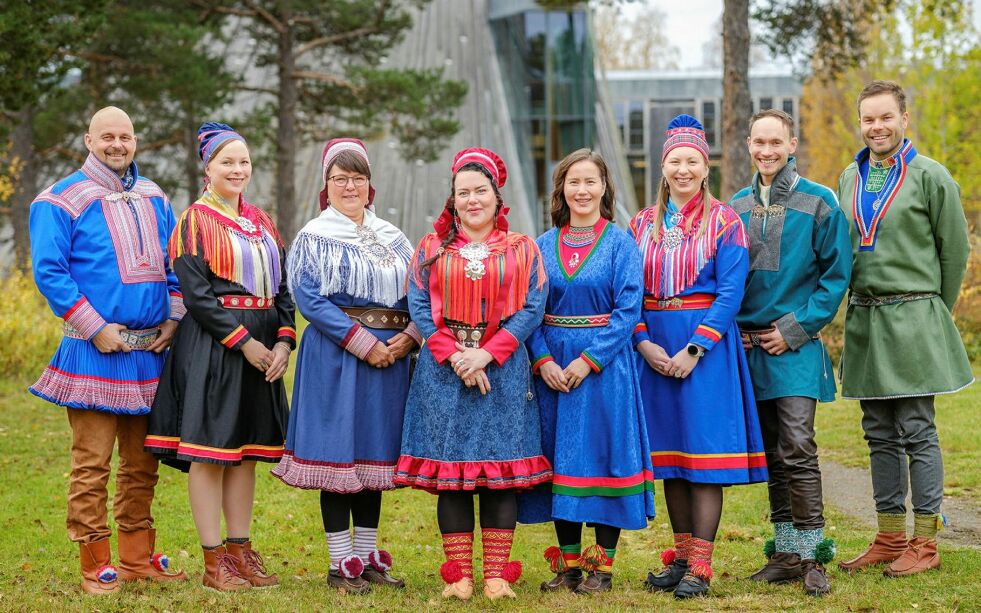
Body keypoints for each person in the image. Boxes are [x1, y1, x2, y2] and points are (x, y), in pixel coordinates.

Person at [28, 106, 189, 595]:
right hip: (94, 349)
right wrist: (94, 327)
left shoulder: (155, 196)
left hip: (148, 352)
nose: (117, 144)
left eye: (125, 136)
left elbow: (174, 262)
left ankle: (137, 555)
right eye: (107, 137)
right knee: (92, 463)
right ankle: (94, 559)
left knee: (143, 462)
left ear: (135, 140)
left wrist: (174, 317)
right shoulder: (59, 199)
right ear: (88, 140)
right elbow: (50, 272)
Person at [394, 147, 551, 601]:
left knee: (499, 470)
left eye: (480, 190)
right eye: (463, 192)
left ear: (497, 196)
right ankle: (459, 577)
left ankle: (497, 575)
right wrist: (455, 356)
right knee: (454, 473)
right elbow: (420, 307)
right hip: (444, 373)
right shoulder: (430, 248)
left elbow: (532, 308)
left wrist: (485, 355)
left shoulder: (523, 249)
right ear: (453, 199)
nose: (472, 200)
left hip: (502, 370)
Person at [144, 122, 296, 591]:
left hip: (265, 343)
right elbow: (197, 296)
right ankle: (214, 563)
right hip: (216, 346)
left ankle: (240, 550)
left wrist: (284, 341)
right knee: (212, 453)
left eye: (244, 161)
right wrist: (245, 344)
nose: (237, 169)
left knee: (245, 452)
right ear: (208, 168)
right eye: (227, 161)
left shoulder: (263, 222)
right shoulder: (194, 221)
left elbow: (283, 290)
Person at [835, 81, 972, 578]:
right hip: (865, 320)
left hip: (914, 315)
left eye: (886, 117)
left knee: (917, 430)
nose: (877, 127)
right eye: (868, 119)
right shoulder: (849, 176)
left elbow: (954, 251)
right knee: (877, 433)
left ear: (904, 119)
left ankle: (926, 542)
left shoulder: (931, 177)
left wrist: (933, 310)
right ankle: (891, 536)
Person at [272, 138, 419, 593]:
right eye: (340, 178)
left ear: (369, 183)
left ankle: (368, 556)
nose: (349, 186)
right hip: (338, 355)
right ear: (326, 184)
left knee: (372, 456)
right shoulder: (315, 236)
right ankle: (340, 564)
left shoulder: (394, 236)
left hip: (390, 357)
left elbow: (421, 291)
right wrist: (361, 342)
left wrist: (410, 337)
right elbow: (309, 299)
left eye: (357, 177)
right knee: (338, 456)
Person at [632, 115, 767, 599]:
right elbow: (630, 293)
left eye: (692, 160)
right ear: (662, 166)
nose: (683, 169)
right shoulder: (641, 224)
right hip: (654, 344)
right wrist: (644, 343)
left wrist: (696, 347)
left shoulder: (725, 221)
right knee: (671, 457)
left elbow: (731, 291)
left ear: (705, 166)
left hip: (702, 346)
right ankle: (681, 557)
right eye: (675, 161)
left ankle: (703, 568)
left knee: (703, 457)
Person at [518, 149, 654, 595]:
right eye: (573, 182)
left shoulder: (620, 244)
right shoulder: (540, 245)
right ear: (562, 190)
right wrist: (544, 361)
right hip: (553, 367)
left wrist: (587, 360)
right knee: (561, 460)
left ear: (603, 188)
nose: (581, 190)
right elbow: (529, 311)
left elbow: (627, 310)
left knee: (600, 456)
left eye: (590, 182)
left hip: (603, 369)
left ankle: (602, 567)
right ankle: (569, 566)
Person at [730, 109, 851, 596]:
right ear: (748, 144)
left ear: (792, 142)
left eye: (775, 142)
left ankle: (814, 556)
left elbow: (836, 276)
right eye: (758, 142)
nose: (766, 150)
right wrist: (731, 327)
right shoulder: (734, 206)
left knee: (798, 448)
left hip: (794, 345)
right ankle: (784, 553)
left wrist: (795, 328)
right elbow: (726, 277)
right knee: (771, 456)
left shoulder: (821, 203)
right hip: (749, 347)